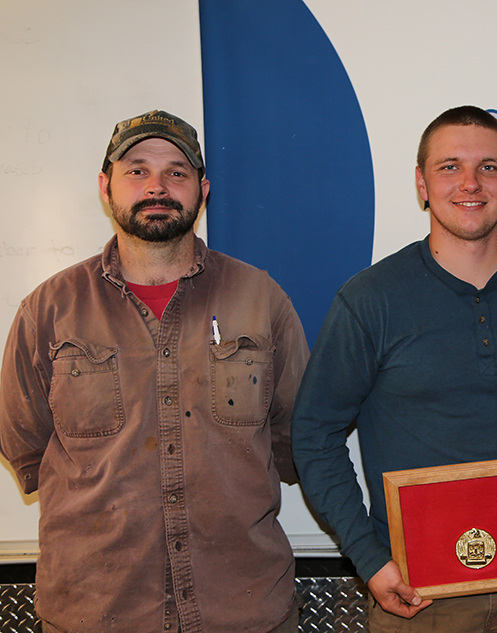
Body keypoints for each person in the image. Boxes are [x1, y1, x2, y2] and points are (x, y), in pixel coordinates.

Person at [291, 105, 497, 632]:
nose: (470, 183)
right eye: (449, 166)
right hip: (417, 600)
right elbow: (313, 433)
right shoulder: (370, 299)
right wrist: (369, 559)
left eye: (489, 167)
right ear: (421, 184)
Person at [0, 110, 309, 633]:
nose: (157, 187)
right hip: (94, 613)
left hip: (243, 611)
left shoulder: (261, 300)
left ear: (202, 190)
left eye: (177, 172)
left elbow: (295, 437)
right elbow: (23, 439)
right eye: (137, 170)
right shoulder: (49, 309)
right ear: (106, 187)